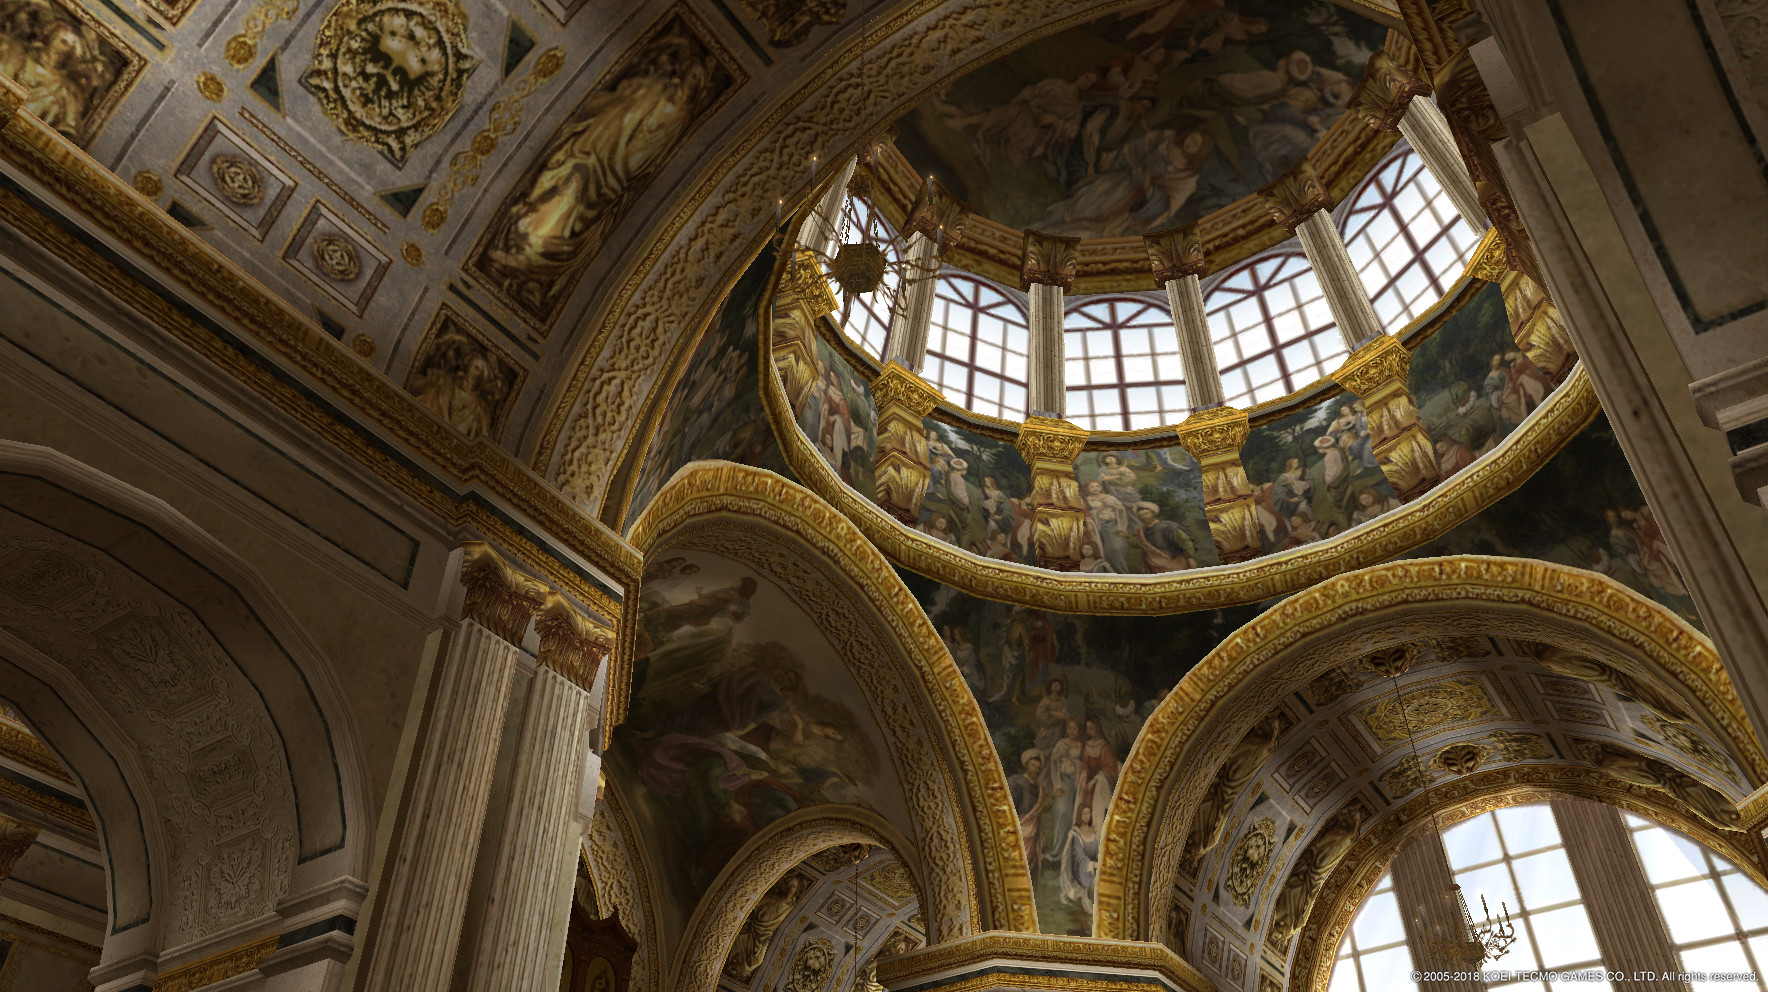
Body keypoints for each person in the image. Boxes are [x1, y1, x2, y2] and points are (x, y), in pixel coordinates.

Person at [1043, 719, 1084, 864]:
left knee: (1073, 816)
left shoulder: (1081, 746)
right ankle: (1057, 852)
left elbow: (1083, 764)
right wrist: (1057, 784)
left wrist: (1074, 762)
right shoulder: (1061, 744)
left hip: (1076, 784)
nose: (1072, 731)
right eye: (1070, 728)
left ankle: (1069, 854)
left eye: (1075, 728)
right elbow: (1054, 764)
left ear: (1079, 730)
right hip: (1063, 782)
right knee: (1061, 813)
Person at [1082, 480, 1134, 573]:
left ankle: (1121, 572)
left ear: (1100, 487)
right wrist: (1098, 511)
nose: (1095, 488)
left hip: (1112, 525)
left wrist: (1122, 526)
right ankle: (1107, 571)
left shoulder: (1109, 498)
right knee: (1102, 550)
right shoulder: (1087, 500)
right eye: (1092, 487)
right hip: (1098, 528)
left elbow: (1121, 510)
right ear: (1087, 489)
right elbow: (1087, 514)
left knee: (1116, 548)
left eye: (1097, 486)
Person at [1008, 750, 1049, 864]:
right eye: (1033, 766)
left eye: (1038, 768)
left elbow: (1040, 809)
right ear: (1026, 765)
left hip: (1033, 827)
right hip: (1020, 824)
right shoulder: (1015, 783)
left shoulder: (1039, 788)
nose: (1036, 770)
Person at [1058, 804, 1101, 912]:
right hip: (1080, 869)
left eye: (1088, 813)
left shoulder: (1094, 832)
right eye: (1083, 813)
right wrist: (1092, 865)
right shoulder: (1076, 834)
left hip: (1093, 866)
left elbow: (1098, 851)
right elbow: (1079, 857)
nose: (1086, 816)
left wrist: (1100, 861)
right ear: (1079, 816)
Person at [1132, 502, 1197, 572]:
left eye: (1146, 514)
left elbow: (1185, 541)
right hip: (1151, 565)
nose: (1144, 517)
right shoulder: (1142, 531)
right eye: (1141, 516)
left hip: (1173, 563)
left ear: (1153, 513)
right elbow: (1139, 545)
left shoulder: (1168, 527)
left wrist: (1189, 558)